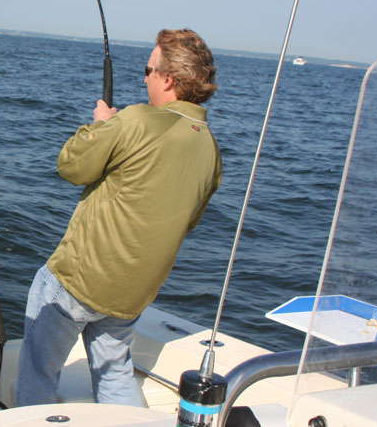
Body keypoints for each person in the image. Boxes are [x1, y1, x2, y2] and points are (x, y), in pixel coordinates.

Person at [15, 28, 222, 407]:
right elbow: (187, 220)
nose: (143, 78)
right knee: (114, 374)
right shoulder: (209, 147)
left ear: (168, 79)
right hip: (132, 294)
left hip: (79, 279)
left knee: (38, 372)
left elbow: (70, 164)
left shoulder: (134, 121)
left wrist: (102, 125)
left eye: (148, 69)